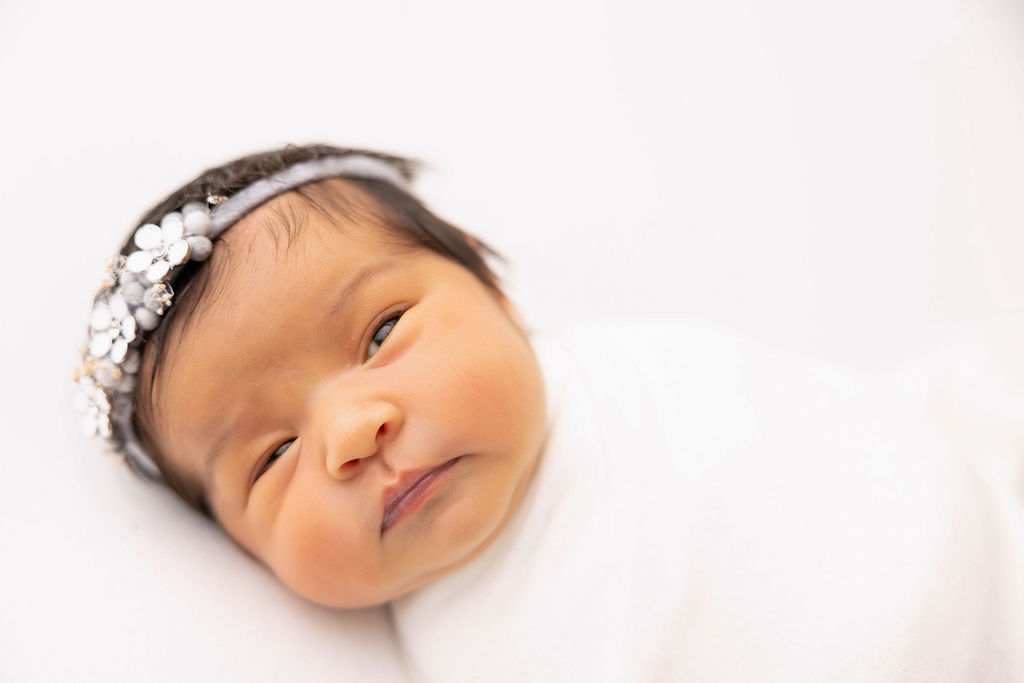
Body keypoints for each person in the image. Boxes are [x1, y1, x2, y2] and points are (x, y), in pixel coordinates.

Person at [76, 144, 1024, 680]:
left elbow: (813, 437)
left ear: (496, 291)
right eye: (272, 456)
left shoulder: (650, 371)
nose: (351, 432)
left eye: (380, 335)